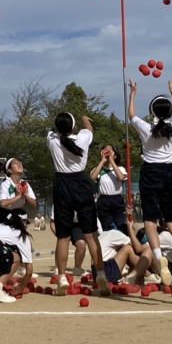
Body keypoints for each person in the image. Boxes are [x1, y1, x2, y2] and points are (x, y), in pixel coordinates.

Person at [127, 79, 172, 287]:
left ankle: (158, 259)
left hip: (150, 174)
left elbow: (131, 115)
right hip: (168, 174)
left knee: (150, 223)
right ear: (169, 112)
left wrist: (133, 93)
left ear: (152, 112)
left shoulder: (146, 128)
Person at [47, 112, 109, 296]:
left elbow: (54, 132)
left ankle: (62, 278)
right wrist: (85, 120)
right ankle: (101, 276)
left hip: (62, 184)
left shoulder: (51, 139)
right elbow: (89, 130)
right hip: (80, 183)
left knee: (63, 236)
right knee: (90, 234)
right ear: (74, 126)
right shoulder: (83, 138)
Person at [89, 144, 128, 232]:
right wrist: (102, 161)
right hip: (103, 200)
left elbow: (121, 177)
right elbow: (92, 177)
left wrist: (112, 161)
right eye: (105, 149)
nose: (107, 150)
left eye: (110, 149)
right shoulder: (98, 169)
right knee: (107, 227)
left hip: (117, 199)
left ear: (115, 155)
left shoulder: (120, 168)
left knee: (121, 225)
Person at [0, 158, 37, 226]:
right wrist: (18, 196)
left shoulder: (24, 184)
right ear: (10, 170)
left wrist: (25, 195)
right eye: (15, 163)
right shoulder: (6, 183)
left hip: (16, 213)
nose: (19, 164)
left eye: (19, 162)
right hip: (2, 214)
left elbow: (34, 204)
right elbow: (2, 203)